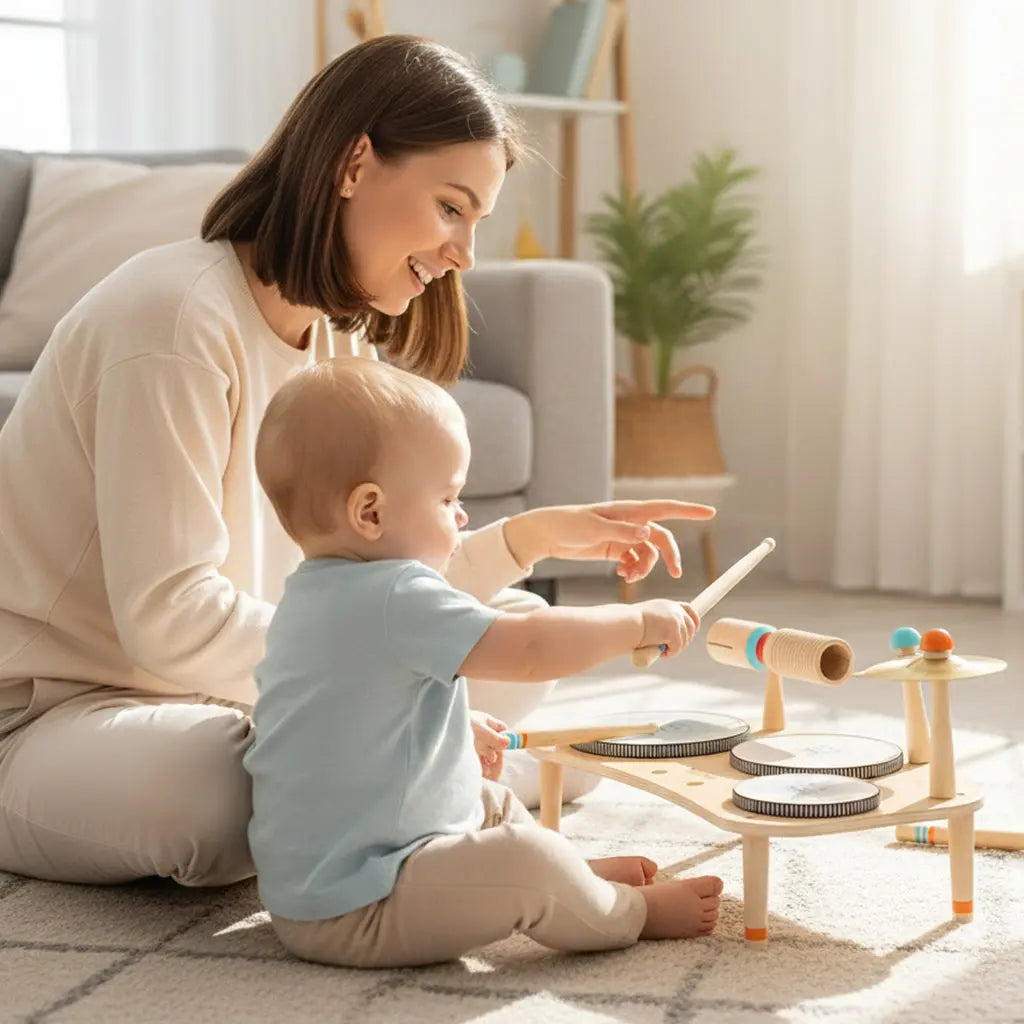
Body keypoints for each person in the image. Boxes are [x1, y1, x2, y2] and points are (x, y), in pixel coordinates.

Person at [0, 35, 714, 889]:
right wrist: (382, 694)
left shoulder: (337, 343)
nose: (463, 255)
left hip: (231, 691)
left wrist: (527, 540)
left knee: (511, 634)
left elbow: (371, 581)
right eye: (451, 208)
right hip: (57, 715)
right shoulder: (176, 320)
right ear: (353, 163)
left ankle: (431, 784)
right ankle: (446, 786)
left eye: (474, 221)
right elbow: (170, 617)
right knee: (207, 796)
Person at [247, 357, 723, 968]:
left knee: (490, 802)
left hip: (315, 891)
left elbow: (341, 723)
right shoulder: (396, 593)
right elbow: (527, 647)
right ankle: (623, 911)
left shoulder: (308, 596)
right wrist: (634, 621)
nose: (462, 515)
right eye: (448, 498)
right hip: (363, 905)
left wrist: (454, 729)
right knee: (525, 860)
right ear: (370, 512)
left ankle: (574, 878)